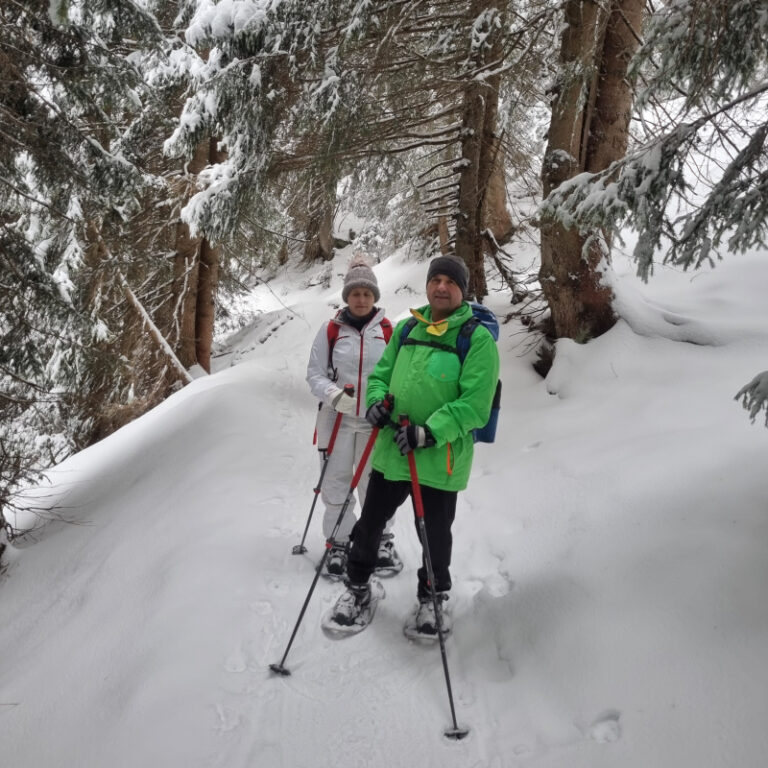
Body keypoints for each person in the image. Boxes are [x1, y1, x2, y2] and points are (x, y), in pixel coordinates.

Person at [329, 255, 500, 635]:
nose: (441, 287)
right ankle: (357, 587)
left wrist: (430, 431)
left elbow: (475, 405)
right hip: (393, 452)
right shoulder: (408, 329)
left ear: (462, 290)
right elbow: (381, 376)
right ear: (427, 285)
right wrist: (376, 402)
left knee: (435, 536)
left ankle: (433, 596)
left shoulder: (477, 339)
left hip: (441, 460)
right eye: (435, 279)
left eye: (450, 282)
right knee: (370, 524)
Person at [306, 254, 401, 578]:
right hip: (337, 420)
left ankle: (381, 540)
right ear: (347, 296)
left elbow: (398, 376)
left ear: (375, 297)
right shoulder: (331, 329)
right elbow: (314, 374)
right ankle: (338, 542)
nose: (361, 299)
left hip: (374, 421)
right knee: (336, 483)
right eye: (355, 293)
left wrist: (387, 403)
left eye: (367, 294)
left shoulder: (389, 330)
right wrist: (333, 395)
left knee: (375, 484)